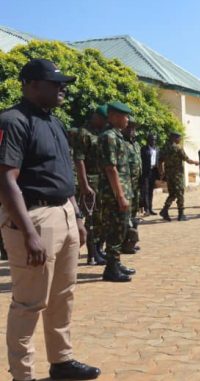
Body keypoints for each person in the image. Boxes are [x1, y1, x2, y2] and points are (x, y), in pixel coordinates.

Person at [0, 58, 101, 381]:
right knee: (29, 303)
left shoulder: (54, 122)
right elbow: (5, 180)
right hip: (34, 217)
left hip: (64, 213)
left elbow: (62, 173)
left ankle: (61, 360)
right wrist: (29, 233)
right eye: (54, 82)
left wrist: (78, 218)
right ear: (30, 84)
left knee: (63, 294)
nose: (62, 88)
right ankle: (23, 374)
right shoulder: (12, 121)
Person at [98, 101, 137, 282]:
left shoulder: (118, 136)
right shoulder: (109, 137)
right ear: (113, 116)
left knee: (121, 228)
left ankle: (116, 262)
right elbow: (111, 168)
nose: (127, 119)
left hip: (123, 190)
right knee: (115, 228)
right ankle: (111, 268)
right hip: (113, 193)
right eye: (125, 116)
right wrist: (120, 195)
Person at [72, 104, 108, 265]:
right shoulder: (84, 133)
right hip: (90, 181)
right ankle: (91, 254)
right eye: (104, 120)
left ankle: (98, 250)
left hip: (100, 181)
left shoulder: (99, 133)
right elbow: (79, 160)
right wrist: (84, 184)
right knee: (91, 219)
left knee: (100, 219)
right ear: (97, 117)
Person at [158, 132, 199, 221]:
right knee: (180, 193)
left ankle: (164, 210)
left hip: (169, 175)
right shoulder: (177, 148)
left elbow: (160, 161)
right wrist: (195, 162)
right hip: (177, 175)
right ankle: (181, 214)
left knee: (172, 194)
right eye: (179, 138)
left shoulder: (164, 148)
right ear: (174, 138)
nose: (180, 140)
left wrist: (162, 173)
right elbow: (186, 159)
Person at [121, 120, 141, 254]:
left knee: (133, 214)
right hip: (125, 184)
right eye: (129, 128)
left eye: (133, 129)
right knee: (125, 215)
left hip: (135, 184)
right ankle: (123, 243)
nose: (132, 131)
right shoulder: (122, 143)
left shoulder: (136, 144)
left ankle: (131, 242)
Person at [140, 134, 159, 215]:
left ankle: (150, 209)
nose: (153, 141)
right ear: (148, 140)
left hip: (153, 171)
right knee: (146, 191)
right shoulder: (144, 149)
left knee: (151, 191)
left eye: (154, 139)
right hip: (146, 172)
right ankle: (146, 209)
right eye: (152, 139)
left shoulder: (157, 149)